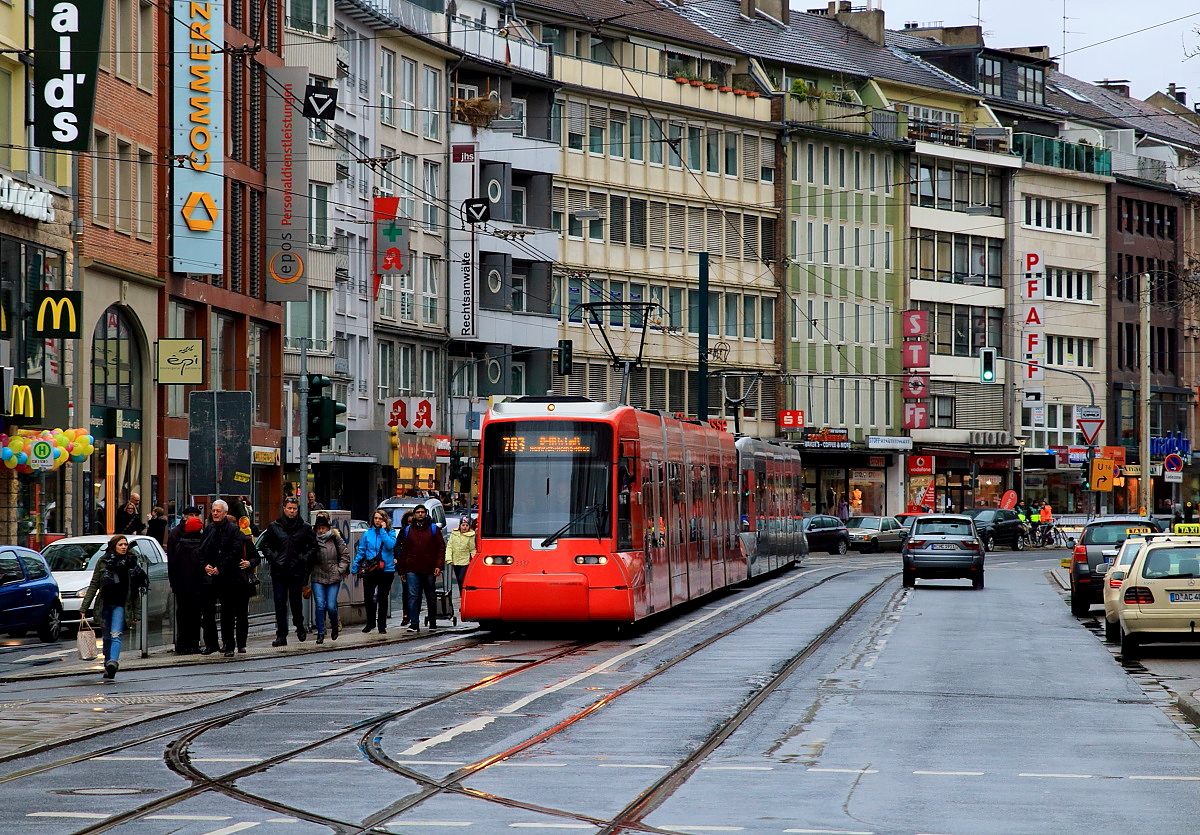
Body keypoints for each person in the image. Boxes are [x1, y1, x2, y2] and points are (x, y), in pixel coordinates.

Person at [81, 535, 146, 680]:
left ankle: (113, 663)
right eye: (120, 544)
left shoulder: (131, 563)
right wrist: (84, 607)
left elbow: (135, 591)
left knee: (116, 635)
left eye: (125, 545)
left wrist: (137, 613)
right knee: (106, 637)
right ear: (113, 546)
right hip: (105, 604)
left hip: (121, 605)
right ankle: (107, 663)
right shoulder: (103, 561)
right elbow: (94, 584)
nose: (124, 547)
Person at [200, 499, 256, 656]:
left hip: (228, 577)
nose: (215, 513)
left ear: (225, 513)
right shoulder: (209, 529)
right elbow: (202, 550)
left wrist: (220, 567)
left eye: (218, 511)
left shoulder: (233, 530)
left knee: (227, 614)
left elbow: (235, 551)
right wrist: (205, 565)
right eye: (213, 510)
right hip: (210, 577)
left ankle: (229, 645)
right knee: (208, 612)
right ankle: (211, 644)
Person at [258, 497, 317, 647]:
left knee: (296, 602)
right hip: (279, 571)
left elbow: (313, 546)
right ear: (284, 508)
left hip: (297, 570)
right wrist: (273, 558)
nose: (292, 511)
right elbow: (265, 545)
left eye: (294, 509)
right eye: (289, 508)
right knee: (280, 603)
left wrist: (303, 558)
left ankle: (299, 625)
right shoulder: (274, 527)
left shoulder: (304, 527)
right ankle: (281, 635)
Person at [166, 506, 206, 655]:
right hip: (192, 583)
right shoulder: (177, 534)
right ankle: (188, 643)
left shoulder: (193, 535)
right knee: (191, 614)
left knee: (186, 614)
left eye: (196, 514)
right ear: (184, 516)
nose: (193, 517)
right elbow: (172, 561)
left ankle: (185, 644)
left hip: (184, 583)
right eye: (191, 514)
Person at [354, 510, 397, 633]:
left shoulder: (391, 532)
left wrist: (383, 531)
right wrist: (355, 565)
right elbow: (362, 550)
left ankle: (382, 625)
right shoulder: (368, 534)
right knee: (368, 596)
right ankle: (370, 622)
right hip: (371, 569)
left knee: (382, 597)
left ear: (385, 520)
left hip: (386, 569)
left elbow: (390, 545)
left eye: (380, 518)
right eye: (375, 518)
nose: (377, 520)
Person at [402, 505, 443, 632]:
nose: (420, 514)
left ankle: (432, 621)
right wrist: (402, 570)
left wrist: (438, 565)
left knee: (430, 596)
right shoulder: (408, 530)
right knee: (413, 596)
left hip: (429, 568)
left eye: (422, 512)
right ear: (414, 515)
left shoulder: (433, 529)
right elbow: (404, 551)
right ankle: (414, 623)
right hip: (412, 568)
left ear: (426, 514)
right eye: (418, 512)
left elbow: (441, 547)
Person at [311, 514, 350, 643]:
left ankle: (334, 625)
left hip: (333, 576)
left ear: (328, 528)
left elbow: (345, 554)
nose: (321, 530)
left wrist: (340, 569)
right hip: (318, 576)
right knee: (320, 605)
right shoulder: (312, 540)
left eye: (324, 528)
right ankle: (321, 632)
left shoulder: (335, 538)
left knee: (331, 606)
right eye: (319, 528)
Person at [445, 516, 476, 600]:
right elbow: (450, 546)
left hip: (465, 561)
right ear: (460, 526)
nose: (465, 527)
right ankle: (461, 595)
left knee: (462, 578)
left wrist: (474, 560)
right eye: (463, 525)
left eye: (466, 525)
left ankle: (464, 595)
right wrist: (448, 558)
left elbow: (472, 549)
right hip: (455, 561)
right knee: (458, 579)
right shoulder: (454, 534)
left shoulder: (471, 535)